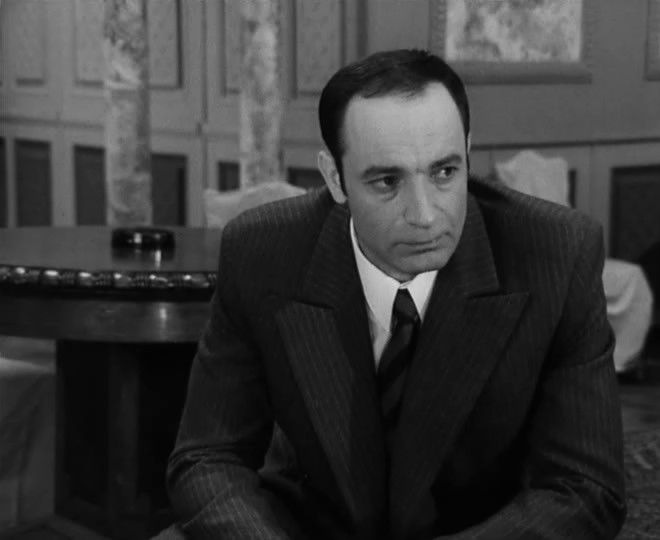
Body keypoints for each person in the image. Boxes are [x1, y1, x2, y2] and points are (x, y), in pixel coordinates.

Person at [165, 49, 626, 539]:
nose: (425, 216)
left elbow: (585, 487)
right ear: (335, 178)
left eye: (445, 173)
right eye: (387, 181)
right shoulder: (261, 251)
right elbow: (207, 457)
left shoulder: (557, 253)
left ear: (468, 152)